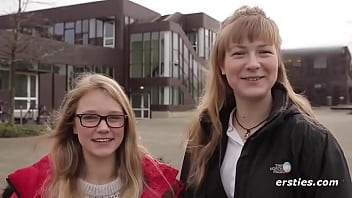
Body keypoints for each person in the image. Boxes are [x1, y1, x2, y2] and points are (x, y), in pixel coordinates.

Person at [180, 6, 352, 198]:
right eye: (239, 53)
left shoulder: (312, 141)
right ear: (222, 65)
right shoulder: (204, 136)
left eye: (264, 52)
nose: (253, 64)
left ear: (277, 62)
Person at [2, 73, 183, 198]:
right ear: (73, 125)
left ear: (127, 124)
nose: (103, 127)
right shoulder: (34, 190)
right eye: (89, 117)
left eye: (114, 117)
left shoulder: (164, 190)